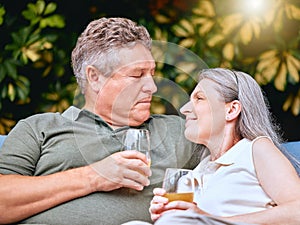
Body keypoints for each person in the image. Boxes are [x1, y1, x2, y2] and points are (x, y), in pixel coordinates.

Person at [0, 17, 205, 225]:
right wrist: (95, 176)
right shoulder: (39, 128)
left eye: (152, 73)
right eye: (137, 75)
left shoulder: (177, 131)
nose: (152, 87)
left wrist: (206, 215)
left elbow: (235, 163)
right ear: (95, 77)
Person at [149, 68, 300, 225]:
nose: (184, 109)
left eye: (199, 98)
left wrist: (209, 220)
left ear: (232, 110)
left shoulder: (255, 149)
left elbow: (297, 211)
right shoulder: (191, 176)